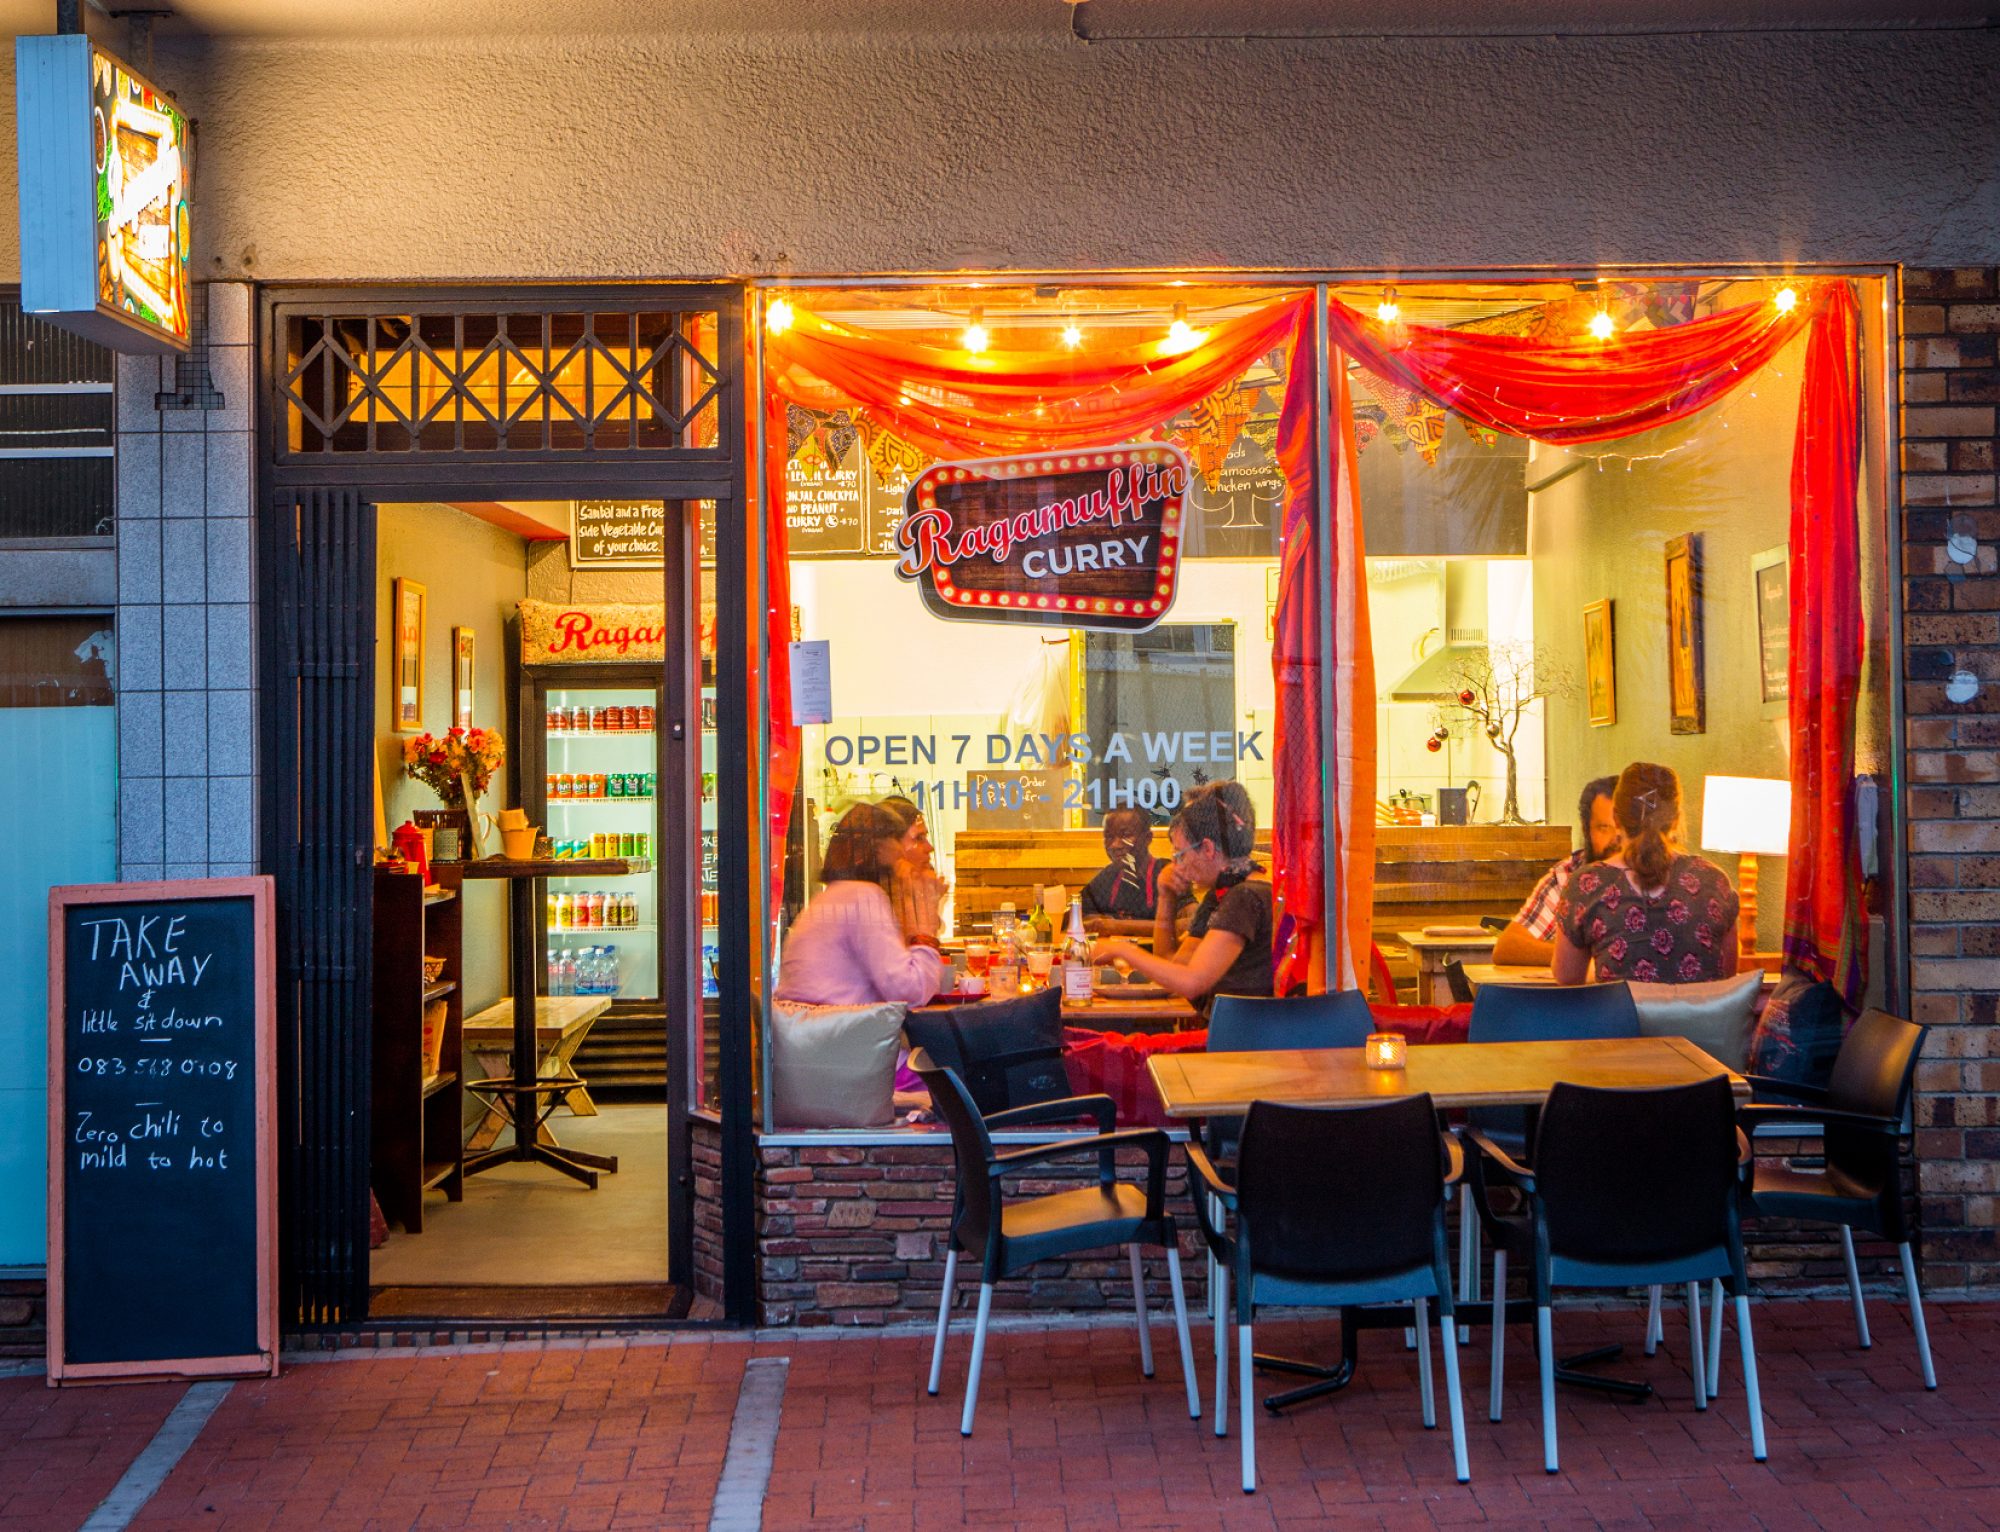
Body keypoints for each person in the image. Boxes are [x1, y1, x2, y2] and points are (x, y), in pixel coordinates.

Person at [1554, 762, 1740, 986]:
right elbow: (1727, 978)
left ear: (1616, 818)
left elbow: (1568, 978)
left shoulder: (1587, 885)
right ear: (1676, 819)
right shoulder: (1714, 881)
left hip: (1621, 1011)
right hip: (1699, 1011)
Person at [1091, 781, 1272, 1009]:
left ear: (1207, 848)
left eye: (1180, 854)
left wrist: (1122, 950)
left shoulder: (1245, 896)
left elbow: (1190, 983)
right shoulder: (1223, 892)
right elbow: (1173, 969)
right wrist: (1166, 897)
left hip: (1247, 1030)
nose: (1176, 866)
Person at [776, 802, 944, 1007]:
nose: (902, 852)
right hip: (838, 1026)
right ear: (879, 848)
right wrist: (925, 930)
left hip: (814, 1023)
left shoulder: (835, 896)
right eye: (896, 839)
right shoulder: (862, 897)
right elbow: (910, 991)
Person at [1490, 775, 1620, 967]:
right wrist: (1581, 958)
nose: (1616, 839)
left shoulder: (1658, 876)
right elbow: (1508, 948)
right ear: (1586, 831)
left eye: (1625, 828)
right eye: (1604, 828)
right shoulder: (1567, 877)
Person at [1078, 807, 1188, 938]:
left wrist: (1118, 927)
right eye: (1109, 837)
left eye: (1125, 835)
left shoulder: (1166, 872)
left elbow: (1190, 924)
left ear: (1147, 838)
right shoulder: (1108, 876)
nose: (1114, 845)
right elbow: (1075, 914)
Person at [878, 795, 950, 944]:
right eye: (919, 838)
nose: (930, 848)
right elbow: (916, 953)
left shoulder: (911, 890)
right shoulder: (871, 902)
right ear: (891, 847)